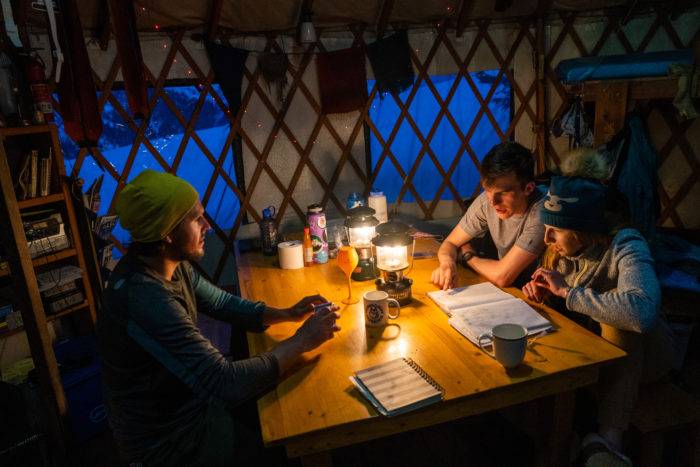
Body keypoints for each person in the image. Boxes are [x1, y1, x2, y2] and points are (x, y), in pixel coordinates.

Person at [96, 170, 340, 466]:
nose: (208, 226)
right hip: (169, 443)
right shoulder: (144, 297)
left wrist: (288, 313)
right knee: (290, 427)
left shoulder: (169, 262)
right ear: (168, 233)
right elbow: (224, 381)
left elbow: (222, 303)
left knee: (281, 395)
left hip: (194, 407)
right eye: (196, 219)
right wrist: (302, 340)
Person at [522, 153, 674, 466]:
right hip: (594, 354)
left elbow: (642, 313)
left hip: (649, 358)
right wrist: (547, 295)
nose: (547, 238)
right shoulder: (560, 250)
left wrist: (567, 292)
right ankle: (564, 436)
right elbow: (566, 299)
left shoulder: (627, 245)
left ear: (584, 227)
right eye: (546, 228)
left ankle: (609, 440)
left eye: (557, 230)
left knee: (622, 322)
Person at [431, 142, 545, 290]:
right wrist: (447, 263)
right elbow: (450, 243)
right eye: (487, 190)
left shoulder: (543, 211)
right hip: (511, 291)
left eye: (502, 193)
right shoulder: (487, 201)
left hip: (542, 300)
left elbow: (502, 276)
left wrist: (468, 257)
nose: (493, 202)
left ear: (528, 188)